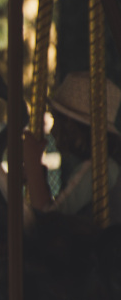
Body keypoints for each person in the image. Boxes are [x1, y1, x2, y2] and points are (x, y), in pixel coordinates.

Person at [23, 71, 121, 224]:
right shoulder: (106, 166)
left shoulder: (99, 169)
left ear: (70, 124)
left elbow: (48, 222)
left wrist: (32, 164)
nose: (54, 132)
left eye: (56, 121)